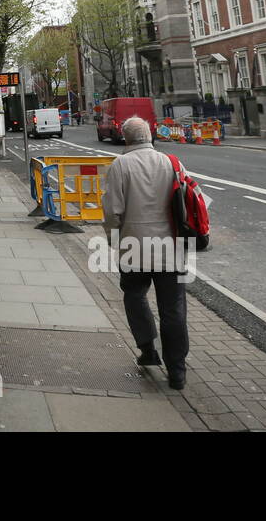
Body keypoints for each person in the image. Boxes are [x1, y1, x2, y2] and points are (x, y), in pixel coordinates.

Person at [102, 115, 190, 390]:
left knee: (134, 296)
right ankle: (177, 371)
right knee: (173, 309)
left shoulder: (120, 165)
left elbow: (112, 211)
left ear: (126, 138)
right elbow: (187, 200)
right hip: (170, 247)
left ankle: (148, 348)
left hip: (134, 245)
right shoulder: (171, 162)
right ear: (150, 135)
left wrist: (113, 240)